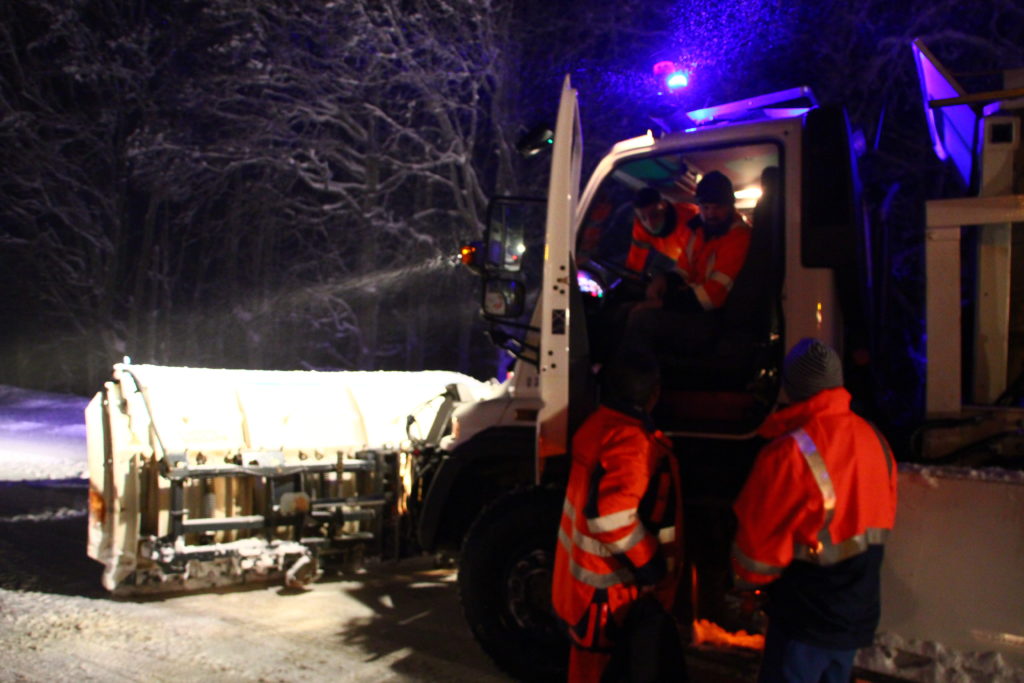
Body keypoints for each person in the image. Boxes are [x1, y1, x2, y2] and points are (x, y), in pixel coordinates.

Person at [731, 339, 898, 683]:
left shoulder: (788, 453)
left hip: (805, 616)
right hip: (856, 611)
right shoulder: (875, 440)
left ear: (791, 389)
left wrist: (745, 585)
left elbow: (756, 551)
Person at [551, 353, 685, 682]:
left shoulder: (599, 425)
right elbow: (611, 518)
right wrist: (650, 562)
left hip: (584, 591)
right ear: (654, 394)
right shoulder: (632, 442)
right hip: (608, 601)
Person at [622, 171, 752, 356]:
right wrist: (664, 280)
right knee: (626, 309)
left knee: (642, 319)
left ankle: (639, 381)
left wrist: (663, 303)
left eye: (717, 207)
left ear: (731, 206)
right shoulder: (700, 230)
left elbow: (713, 295)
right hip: (694, 308)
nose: (710, 214)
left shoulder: (737, 237)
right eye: (705, 207)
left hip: (713, 318)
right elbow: (683, 270)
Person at [624, 187, 700, 276]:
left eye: (654, 215)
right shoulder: (640, 227)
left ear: (663, 206)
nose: (650, 224)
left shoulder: (691, 217)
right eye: (643, 218)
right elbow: (635, 262)